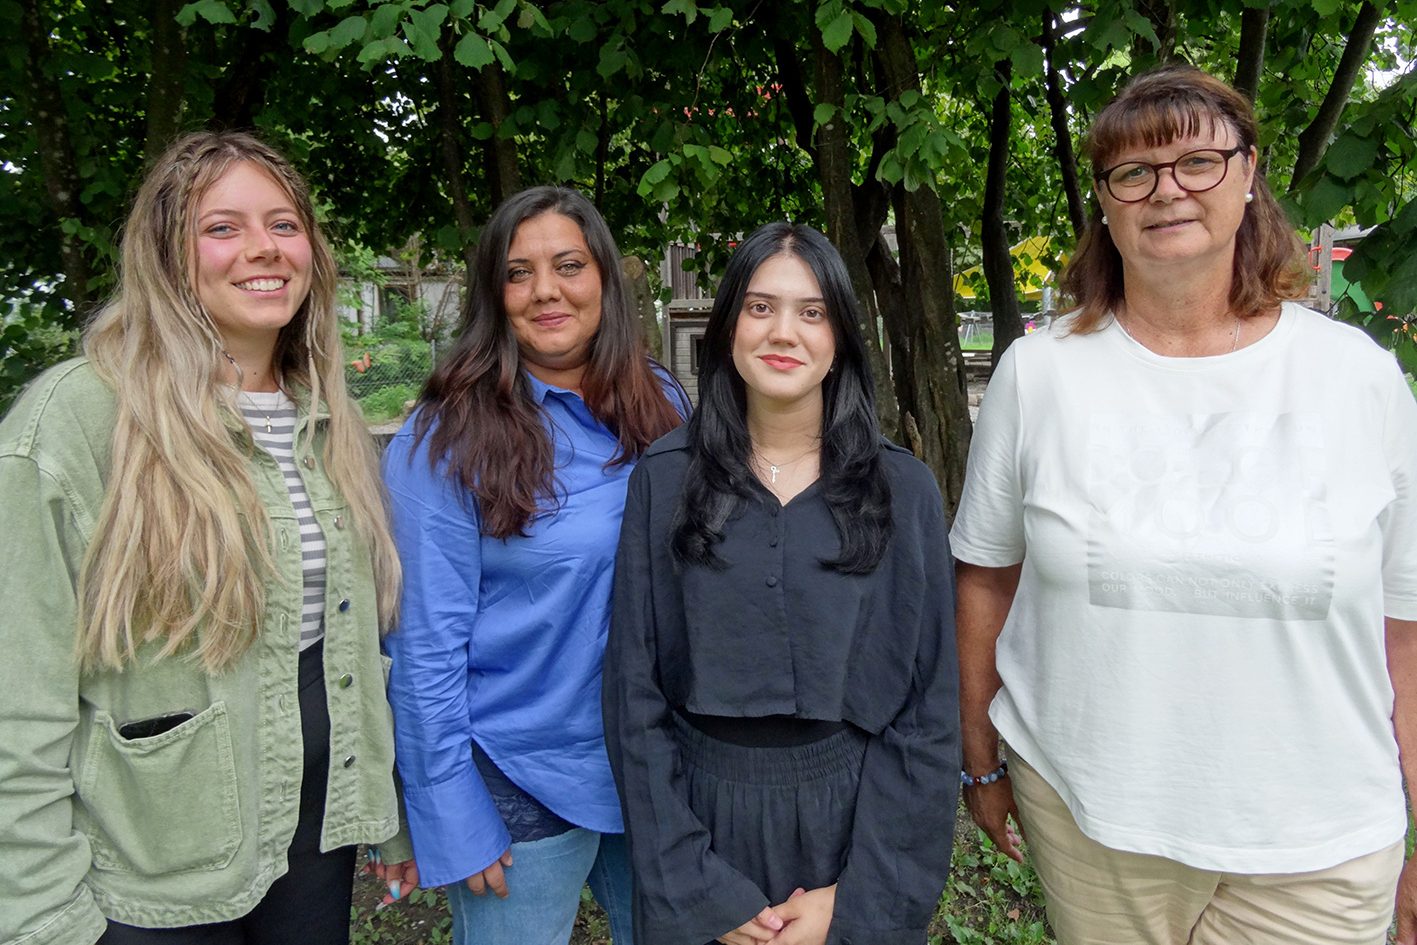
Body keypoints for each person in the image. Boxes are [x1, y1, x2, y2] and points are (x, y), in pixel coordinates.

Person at [952, 64, 1417, 945]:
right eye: (1133, 172)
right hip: (1094, 815)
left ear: (1248, 175)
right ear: (1105, 201)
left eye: (1198, 161)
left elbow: (1406, 623)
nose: (1166, 190)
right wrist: (979, 760)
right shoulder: (1041, 373)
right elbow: (984, 576)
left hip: (1317, 837)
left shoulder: (1356, 377)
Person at [0, 131, 411, 945]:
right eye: (222, 227)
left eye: (284, 225)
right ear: (165, 253)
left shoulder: (326, 421)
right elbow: (18, 699)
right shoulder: (76, 421)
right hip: (152, 870)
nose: (263, 248)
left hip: (312, 840)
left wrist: (383, 815)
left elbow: (349, 653)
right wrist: (41, 913)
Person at [603, 222, 959, 945]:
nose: (783, 332)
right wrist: (695, 885)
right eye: (760, 307)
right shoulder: (664, 481)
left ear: (841, 339)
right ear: (728, 324)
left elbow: (926, 711)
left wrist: (856, 894)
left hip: (853, 818)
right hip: (699, 815)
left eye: (811, 311)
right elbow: (632, 696)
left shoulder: (902, 490)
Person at [381, 185, 689, 945]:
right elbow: (421, 642)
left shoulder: (664, 404)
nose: (545, 290)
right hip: (517, 772)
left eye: (567, 265)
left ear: (606, 280)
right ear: (494, 293)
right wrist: (448, 806)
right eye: (518, 273)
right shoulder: (441, 439)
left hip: (655, 761)